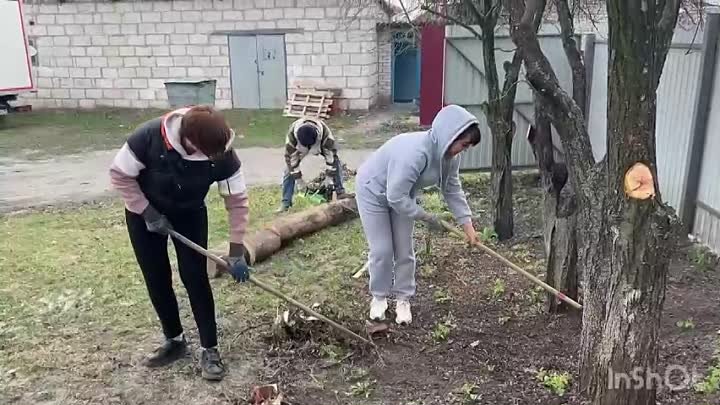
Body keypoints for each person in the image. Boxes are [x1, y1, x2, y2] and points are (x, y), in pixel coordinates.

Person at [108, 105, 252, 381]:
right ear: (188, 141)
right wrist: (147, 212)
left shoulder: (222, 151)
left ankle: (210, 349)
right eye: (206, 153)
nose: (213, 158)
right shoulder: (148, 137)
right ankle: (174, 341)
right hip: (144, 214)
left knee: (195, 277)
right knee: (157, 276)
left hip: (190, 213)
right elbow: (120, 175)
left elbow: (236, 201)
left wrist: (236, 250)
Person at [354, 104, 481, 325]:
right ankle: (379, 297)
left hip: (403, 193)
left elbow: (452, 188)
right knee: (383, 249)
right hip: (373, 191)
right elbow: (394, 196)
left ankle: (403, 299)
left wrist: (467, 224)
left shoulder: (450, 157)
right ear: (450, 135)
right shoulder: (416, 152)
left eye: (467, 146)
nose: (463, 149)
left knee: (404, 250)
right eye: (463, 144)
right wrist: (427, 217)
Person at [278, 116, 348, 212]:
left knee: (336, 162)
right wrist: (299, 181)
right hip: (299, 147)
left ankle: (340, 193)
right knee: (288, 170)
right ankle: (285, 202)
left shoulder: (327, 137)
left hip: (320, 143)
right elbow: (290, 160)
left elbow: (331, 157)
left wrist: (329, 177)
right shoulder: (292, 138)